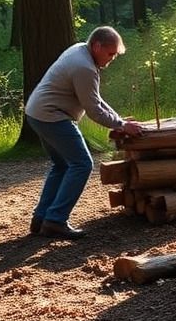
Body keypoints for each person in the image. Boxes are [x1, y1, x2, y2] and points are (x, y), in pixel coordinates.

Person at [24, 25, 143, 239]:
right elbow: (94, 110)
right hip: (52, 116)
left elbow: (95, 99)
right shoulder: (84, 67)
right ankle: (55, 220)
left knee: (61, 165)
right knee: (82, 164)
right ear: (97, 46)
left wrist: (119, 122)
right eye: (110, 53)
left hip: (37, 113)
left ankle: (41, 218)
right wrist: (121, 125)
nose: (112, 59)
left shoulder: (80, 50)